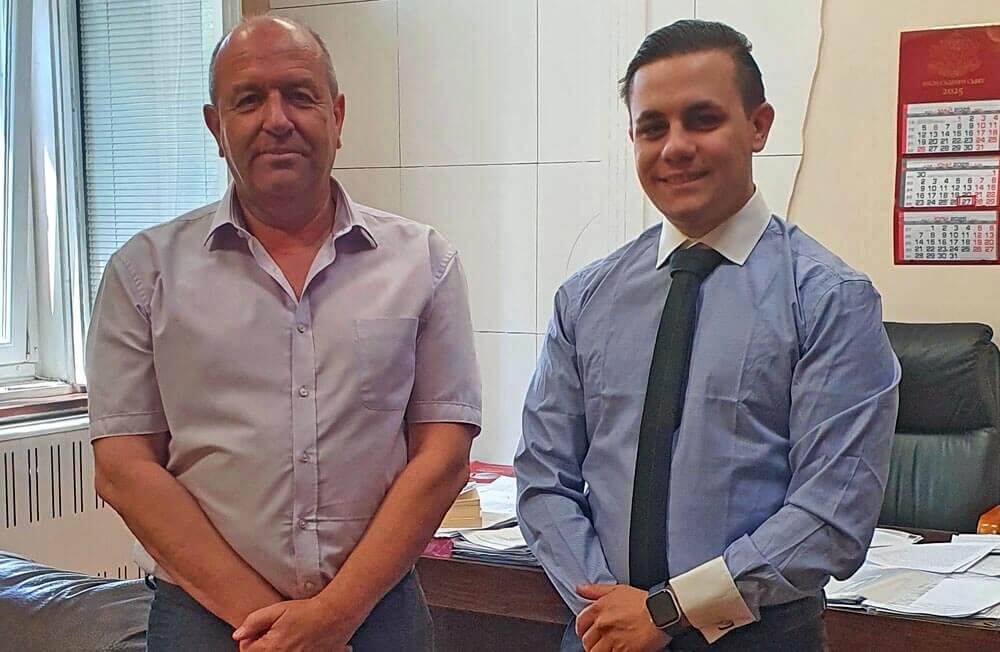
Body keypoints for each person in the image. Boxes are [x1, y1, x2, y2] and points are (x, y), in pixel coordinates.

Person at [87, 15, 481, 652]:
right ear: (216, 127)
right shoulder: (143, 273)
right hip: (205, 621)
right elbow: (125, 468)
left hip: (378, 617)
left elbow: (443, 456)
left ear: (337, 116)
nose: (277, 119)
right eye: (248, 100)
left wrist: (335, 615)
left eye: (300, 95)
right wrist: (272, 626)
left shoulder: (424, 263)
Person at [515, 19, 900, 652]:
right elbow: (542, 477)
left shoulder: (829, 299)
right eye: (653, 127)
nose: (675, 147)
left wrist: (667, 613)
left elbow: (832, 513)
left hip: (758, 636)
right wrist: (611, 610)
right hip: (601, 633)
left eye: (702, 120)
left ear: (759, 125)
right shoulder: (586, 299)